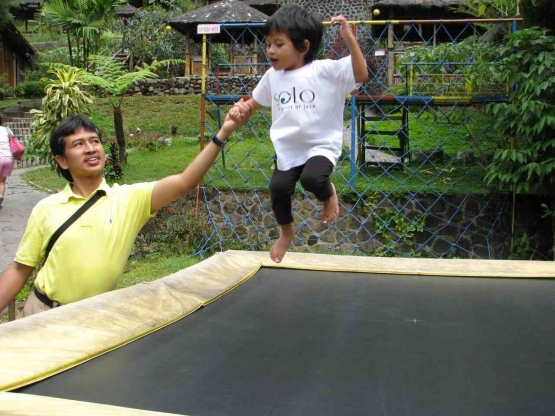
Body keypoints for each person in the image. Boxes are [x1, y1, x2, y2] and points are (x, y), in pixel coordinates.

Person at [0, 112, 244, 317]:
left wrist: (222, 133)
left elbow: (184, 182)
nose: (90, 149)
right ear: (62, 161)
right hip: (45, 313)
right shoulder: (47, 208)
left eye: (94, 141)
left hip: (97, 316)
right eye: (78, 144)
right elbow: (20, 270)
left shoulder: (129, 199)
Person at [229, 5, 368, 263]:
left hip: (320, 146)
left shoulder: (326, 70)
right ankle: (286, 232)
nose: (270, 50)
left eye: (278, 44)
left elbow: (360, 74)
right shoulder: (273, 77)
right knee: (278, 189)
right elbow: (255, 102)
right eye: (268, 43)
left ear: (303, 47)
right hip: (288, 150)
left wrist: (350, 39)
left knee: (313, 179)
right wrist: (242, 107)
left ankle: (329, 193)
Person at [0, 115, 16, 209]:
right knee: (1, 181)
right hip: (8, 158)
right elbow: (13, 142)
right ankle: (0, 200)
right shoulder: (7, 130)